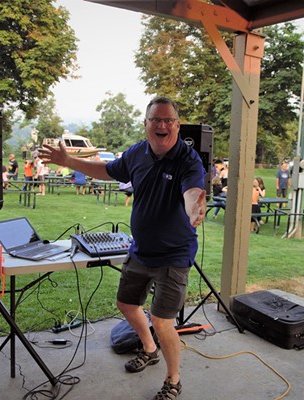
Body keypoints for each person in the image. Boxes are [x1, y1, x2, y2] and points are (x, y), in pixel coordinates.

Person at [39, 96, 206, 400]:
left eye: (168, 119)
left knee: (162, 320)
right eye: (155, 119)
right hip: (141, 250)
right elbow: (108, 170)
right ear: (146, 125)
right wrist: (68, 161)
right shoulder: (137, 153)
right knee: (127, 304)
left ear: (178, 126)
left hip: (174, 254)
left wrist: (194, 207)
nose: (162, 125)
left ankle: (173, 380)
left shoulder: (188, 159)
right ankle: (150, 348)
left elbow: (191, 191)